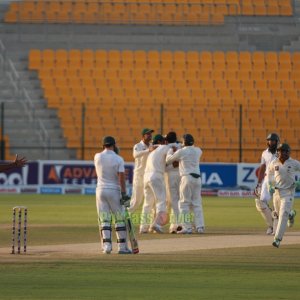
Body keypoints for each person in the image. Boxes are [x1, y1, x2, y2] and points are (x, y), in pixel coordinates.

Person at [94, 136, 131, 254]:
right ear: (114, 145)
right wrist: (124, 194)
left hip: (100, 190)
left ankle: (107, 246)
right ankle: (122, 247)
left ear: (103, 145)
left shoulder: (97, 156)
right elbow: (121, 178)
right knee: (119, 219)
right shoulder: (119, 159)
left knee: (104, 219)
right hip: (114, 190)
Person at [166, 134, 205, 234]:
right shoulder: (198, 150)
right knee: (197, 203)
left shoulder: (182, 151)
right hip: (197, 179)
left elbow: (168, 160)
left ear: (184, 142)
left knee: (183, 203)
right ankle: (200, 227)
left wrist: (171, 150)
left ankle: (187, 227)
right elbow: (191, 150)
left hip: (187, 178)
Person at [267, 143, 299, 248]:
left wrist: (299, 182)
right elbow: (269, 174)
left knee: (283, 214)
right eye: (280, 151)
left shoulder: (294, 163)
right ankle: (291, 214)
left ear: (288, 152)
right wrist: (269, 185)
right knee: (277, 213)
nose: (281, 153)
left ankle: (277, 239)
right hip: (277, 192)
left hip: (288, 192)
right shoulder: (274, 162)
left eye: (284, 151)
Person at [140, 134, 171, 234]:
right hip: (156, 175)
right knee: (161, 201)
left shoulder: (152, 151)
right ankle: (157, 224)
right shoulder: (164, 147)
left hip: (146, 177)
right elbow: (172, 151)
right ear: (162, 142)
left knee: (147, 203)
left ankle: (143, 227)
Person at [254, 133, 280, 235]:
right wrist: (259, 183)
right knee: (260, 203)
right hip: (267, 179)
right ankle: (270, 225)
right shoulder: (264, 153)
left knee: (276, 204)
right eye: (269, 140)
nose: (270, 142)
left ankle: (276, 228)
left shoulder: (281, 152)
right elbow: (262, 168)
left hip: (279, 179)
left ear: (277, 142)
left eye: (273, 140)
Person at [128, 128, 154, 213]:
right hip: (139, 175)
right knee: (136, 201)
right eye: (148, 134)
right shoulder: (137, 146)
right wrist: (147, 150)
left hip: (149, 176)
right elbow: (135, 155)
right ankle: (124, 219)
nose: (150, 135)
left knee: (151, 200)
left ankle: (151, 224)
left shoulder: (152, 145)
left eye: (151, 134)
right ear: (143, 136)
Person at [165, 132, 182, 233]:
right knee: (181, 200)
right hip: (180, 174)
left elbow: (166, 161)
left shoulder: (166, 147)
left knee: (173, 201)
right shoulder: (181, 146)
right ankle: (182, 224)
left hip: (170, 175)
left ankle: (174, 225)